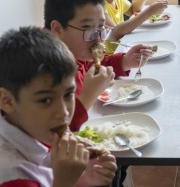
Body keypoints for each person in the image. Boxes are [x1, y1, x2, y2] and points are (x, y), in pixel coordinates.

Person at [0, 26, 117, 186]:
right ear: (6, 101)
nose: (63, 113)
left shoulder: (35, 129)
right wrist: (64, 182)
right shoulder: (15, 178)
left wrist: (83, 180)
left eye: (68, 94)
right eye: (45, 100)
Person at [44, 0, 153, 131]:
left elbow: (96, 64)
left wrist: (125, 61)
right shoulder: (46, 70)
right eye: (87, 28)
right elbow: (57, 130)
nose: (98, 38)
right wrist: (88, 96)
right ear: (57, 29)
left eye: (101, 27)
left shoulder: (76, 52)